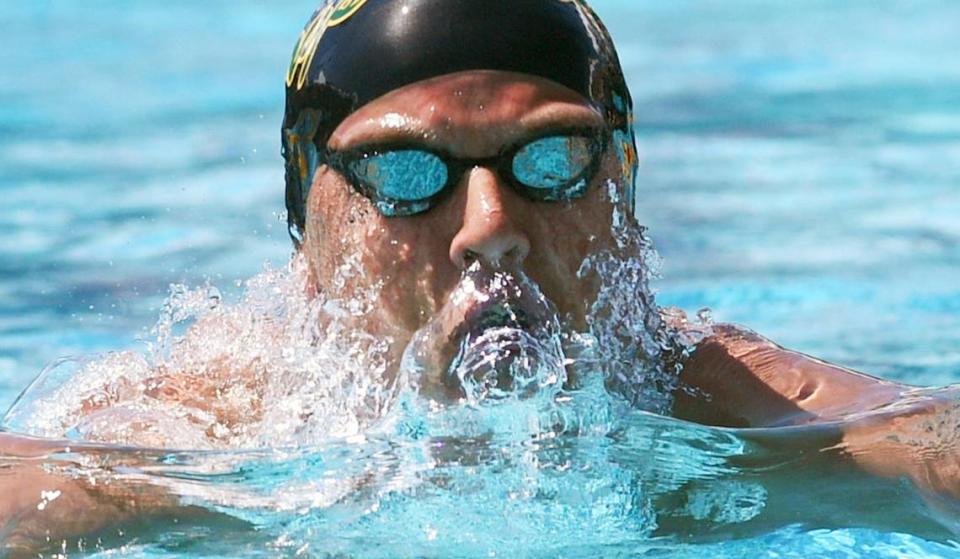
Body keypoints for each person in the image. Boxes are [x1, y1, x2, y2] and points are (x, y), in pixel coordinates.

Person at [2, 0, 959, 550]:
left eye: (550, 160)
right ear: (309, 223)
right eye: (407, 175)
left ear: (622, 194)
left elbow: (928, 444)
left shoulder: (715, 395)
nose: (490, 228)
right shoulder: (199, 434)